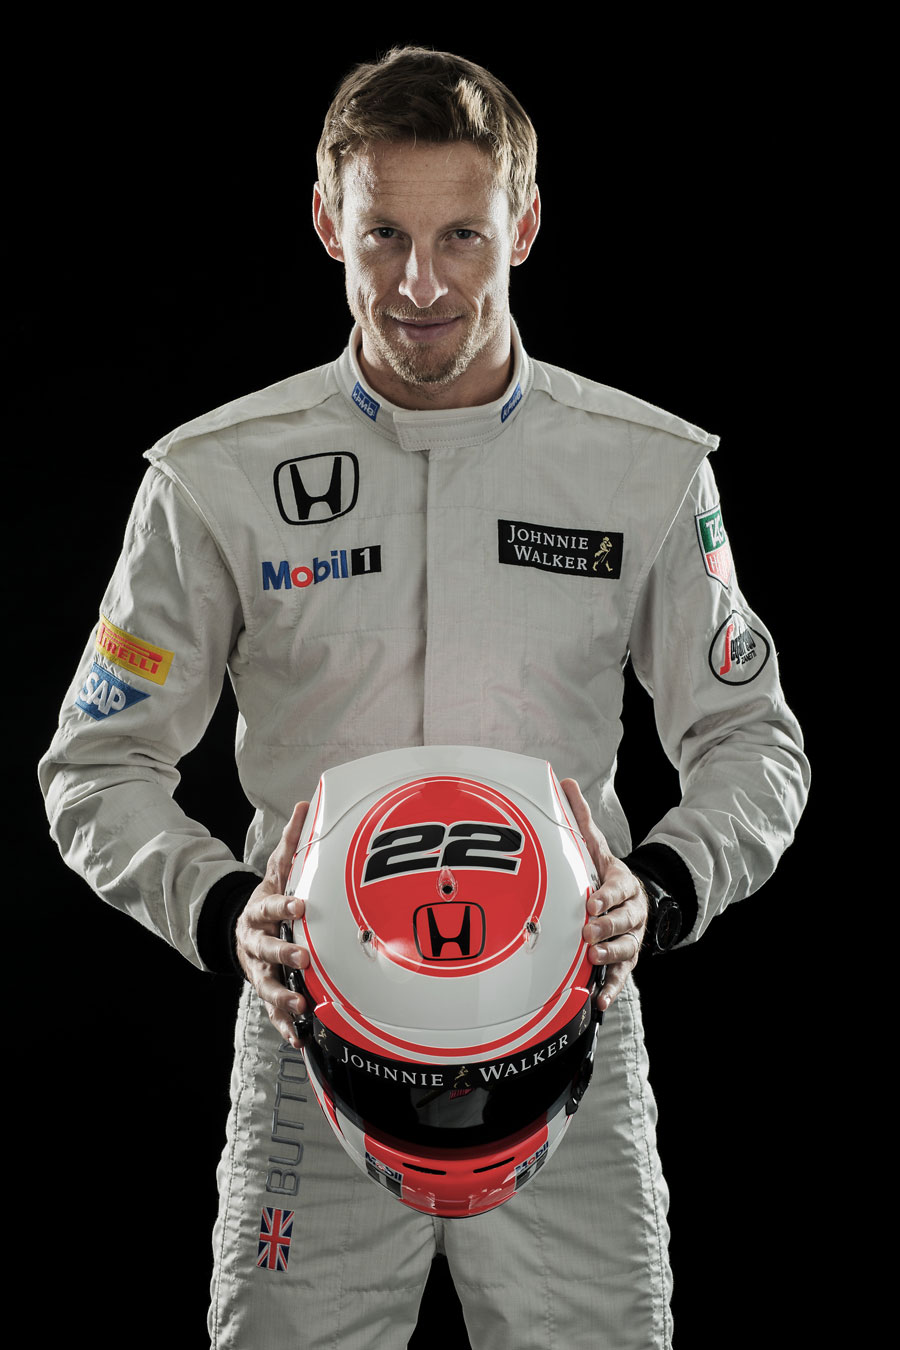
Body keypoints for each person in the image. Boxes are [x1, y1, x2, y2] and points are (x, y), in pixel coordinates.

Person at [39, 46, 809, 1350]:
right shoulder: (215, 478)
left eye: (462, 235)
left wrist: (667, 888)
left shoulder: (643, 470)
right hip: (309, 1030)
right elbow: (93, 764)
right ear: (326, 220)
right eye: (383, 234)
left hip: (569, 1028)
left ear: (526, 223)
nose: (420, 283)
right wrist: (220, 908)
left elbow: (753, 740)